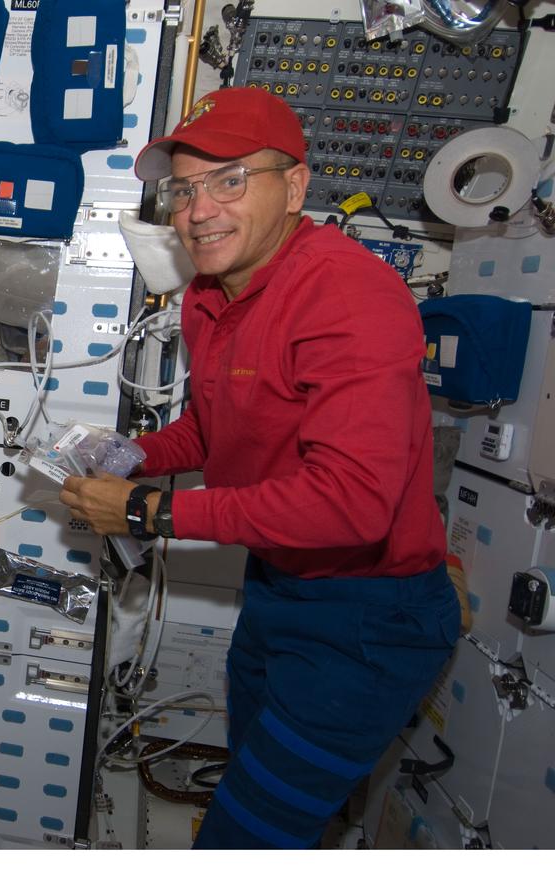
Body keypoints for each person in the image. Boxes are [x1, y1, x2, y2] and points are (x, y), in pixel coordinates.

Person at [58, 87, 459, 849]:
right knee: (260, 805)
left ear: (295, 187)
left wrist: (146, 512)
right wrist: (128, 455)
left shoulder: (346, 294)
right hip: (279, 587)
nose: (198, 209)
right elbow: (216, 430)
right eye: (183, 189)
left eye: (230, 180)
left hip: (371, 616)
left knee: (245, 841)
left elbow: (352, 504)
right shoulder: (209, 296)